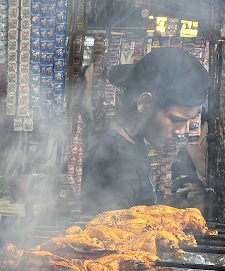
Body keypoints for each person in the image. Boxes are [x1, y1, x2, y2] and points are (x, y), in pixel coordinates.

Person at [81, 47, 210, 214]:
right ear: (145, 103)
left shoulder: (131, 141)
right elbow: (110, 229)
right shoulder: (117, 165)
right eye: (176, 119)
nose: (181, 131)